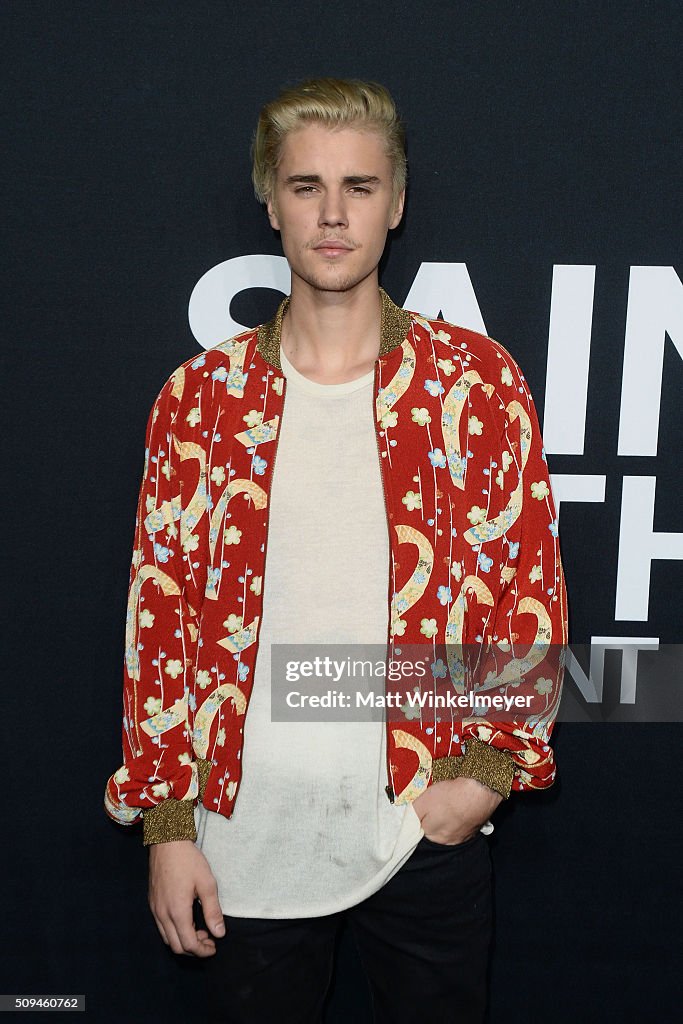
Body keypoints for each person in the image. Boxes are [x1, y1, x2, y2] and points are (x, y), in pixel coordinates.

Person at [104, 78, 567, 1023]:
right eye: (306, 185)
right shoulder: (199, 399)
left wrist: (482, 776)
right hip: (243, 841)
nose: (331, 214)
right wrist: (167, 824)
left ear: (395, 205)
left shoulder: (473, 384)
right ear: (269, 201)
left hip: (419, 825)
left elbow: (528, 584)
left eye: (358, 187)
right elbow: (161, 621)